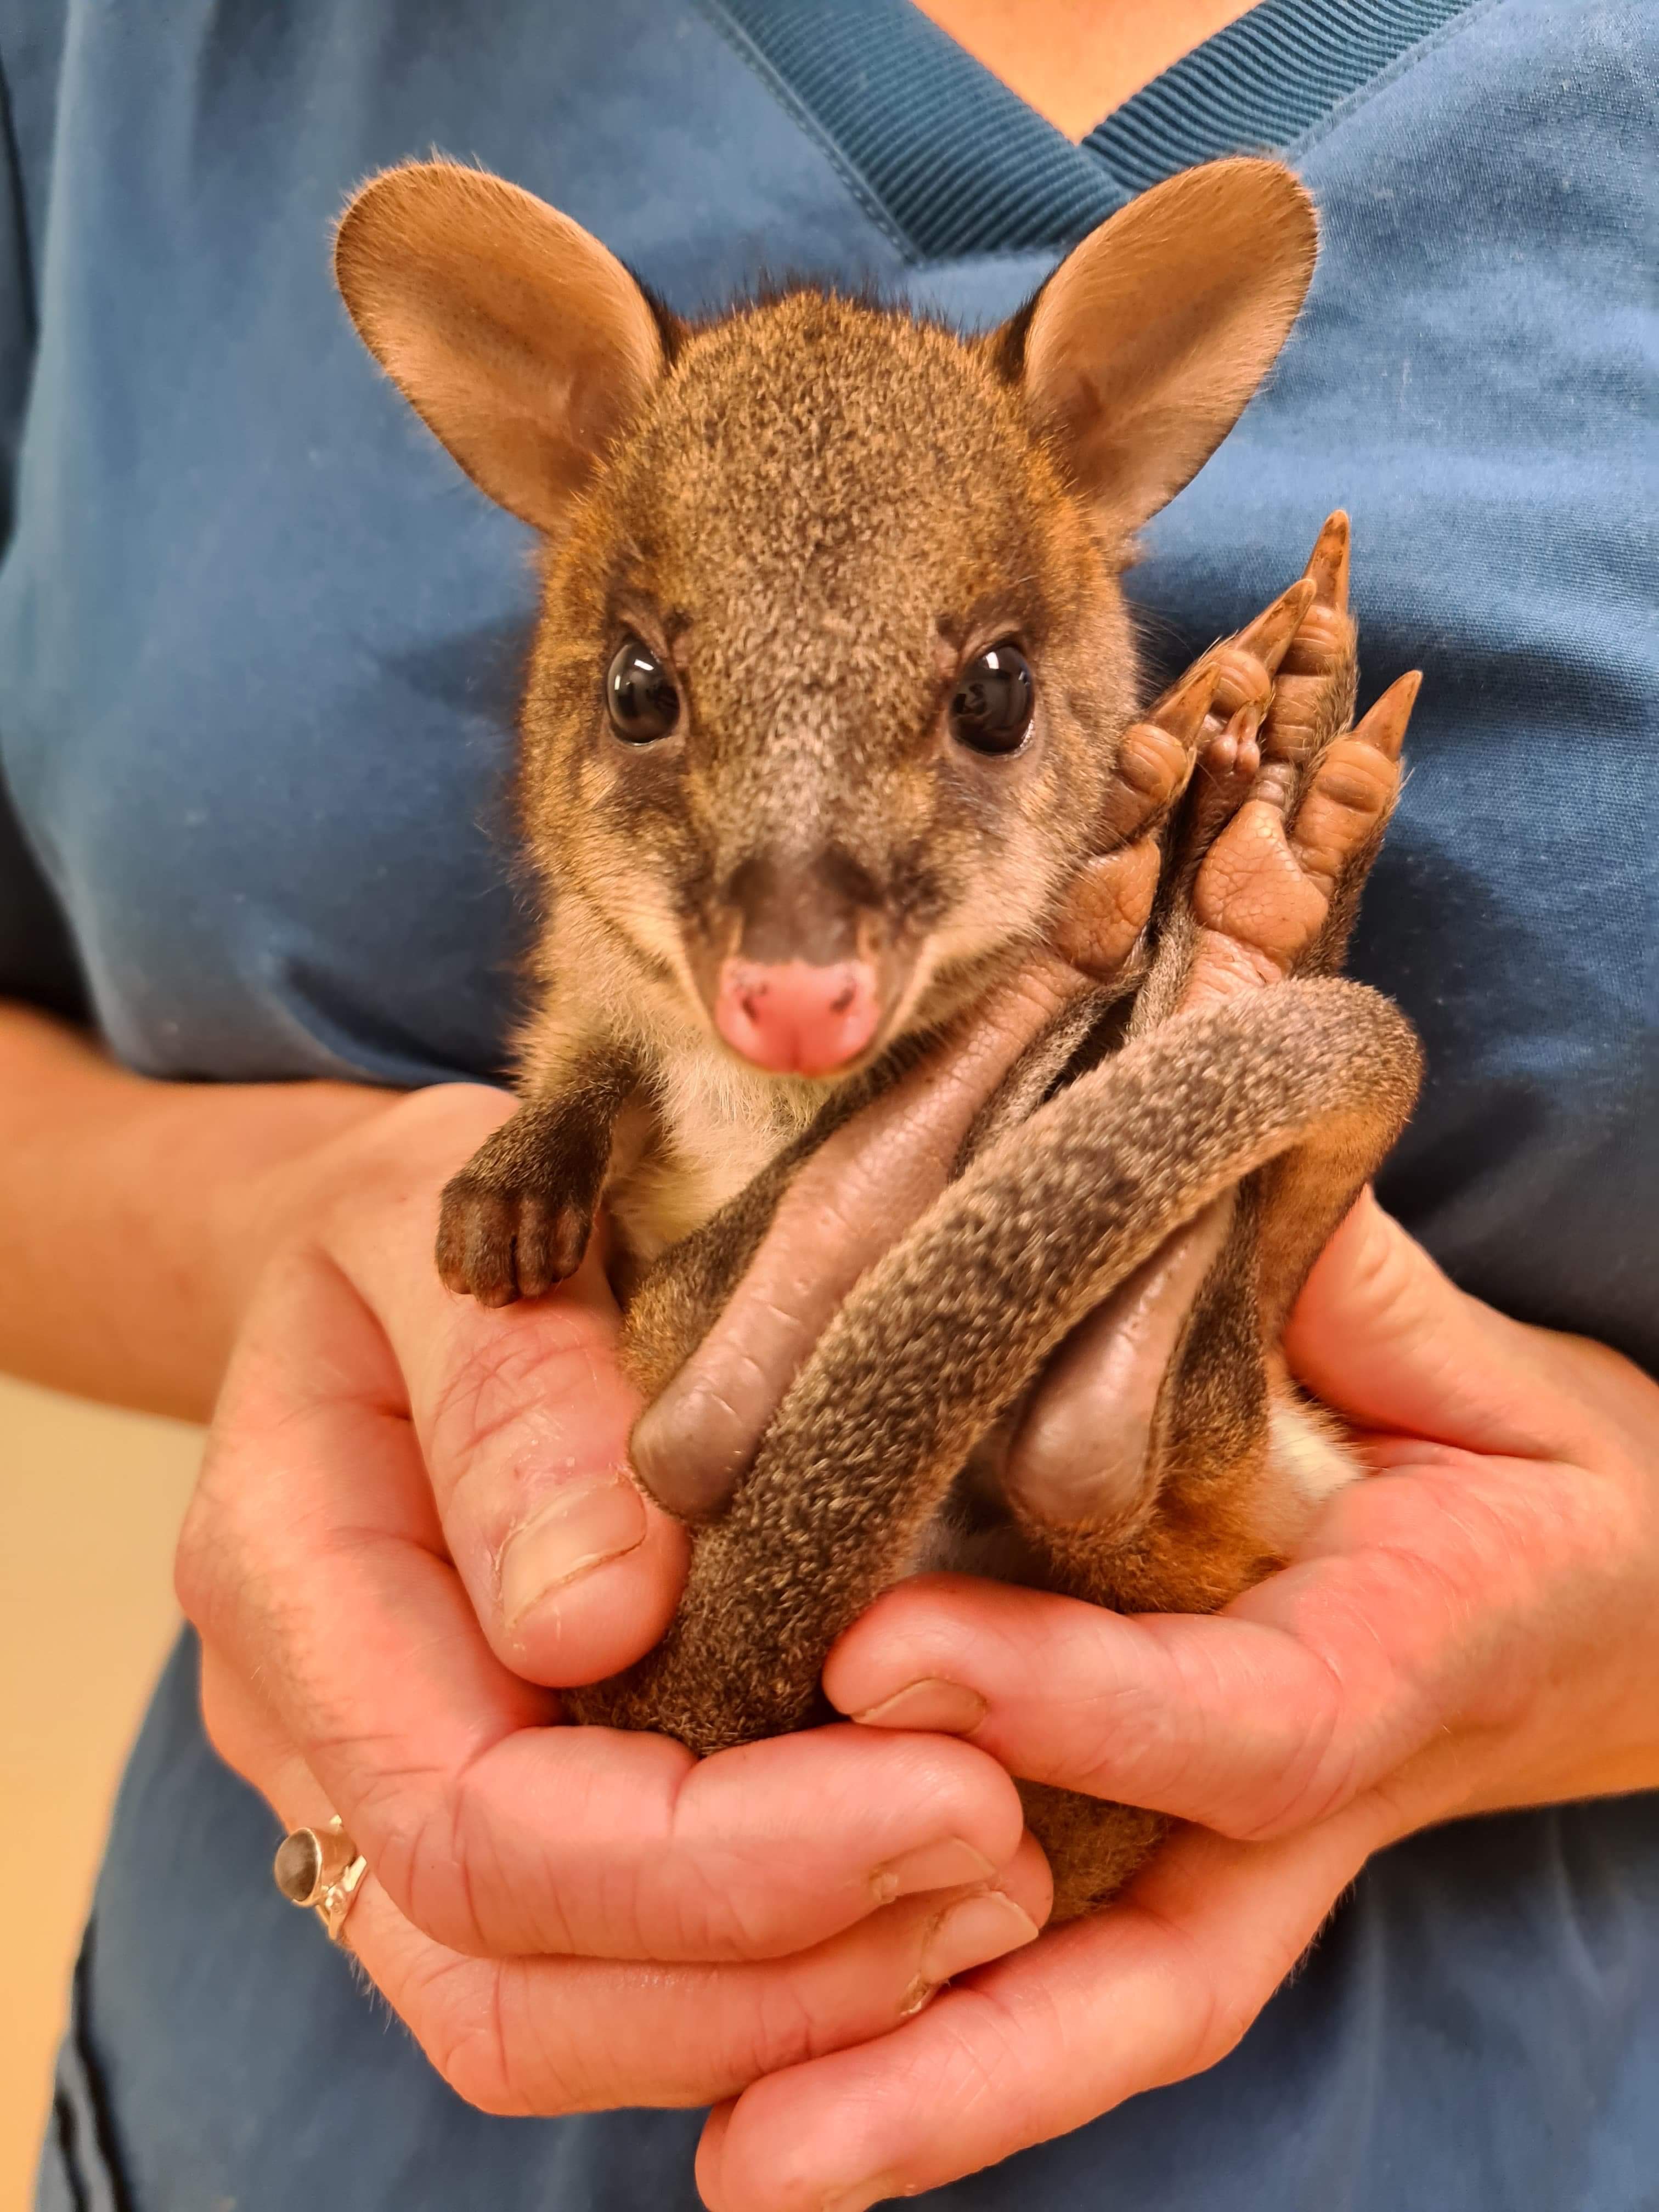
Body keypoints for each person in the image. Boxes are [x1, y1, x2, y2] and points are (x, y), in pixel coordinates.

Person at [5, 1, 1654, 2206]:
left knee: (1098, 1264)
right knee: (755, 1356)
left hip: (1456, 2109)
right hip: (301, 2095)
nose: (794, 961)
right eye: (650, 697)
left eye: (986, 703)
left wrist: (1609, 1641)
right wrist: (307, 1231)